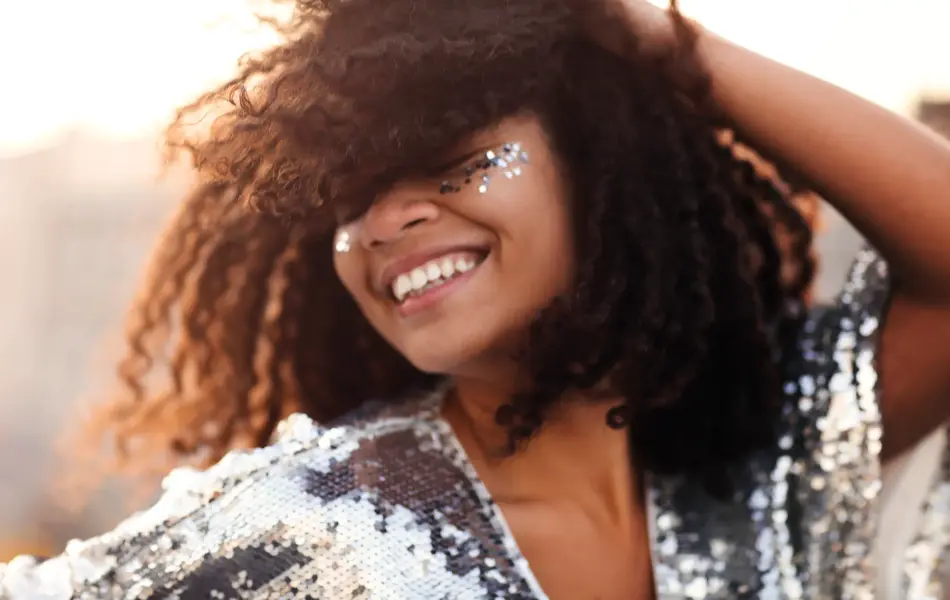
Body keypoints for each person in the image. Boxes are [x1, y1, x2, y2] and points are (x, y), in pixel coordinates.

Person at [4, 0, 950, 597]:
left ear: (595, 161)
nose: (383, 221)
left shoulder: (755, 471)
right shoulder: (311, 529)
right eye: (350, 195)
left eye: (451, 160)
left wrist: (652, 36)